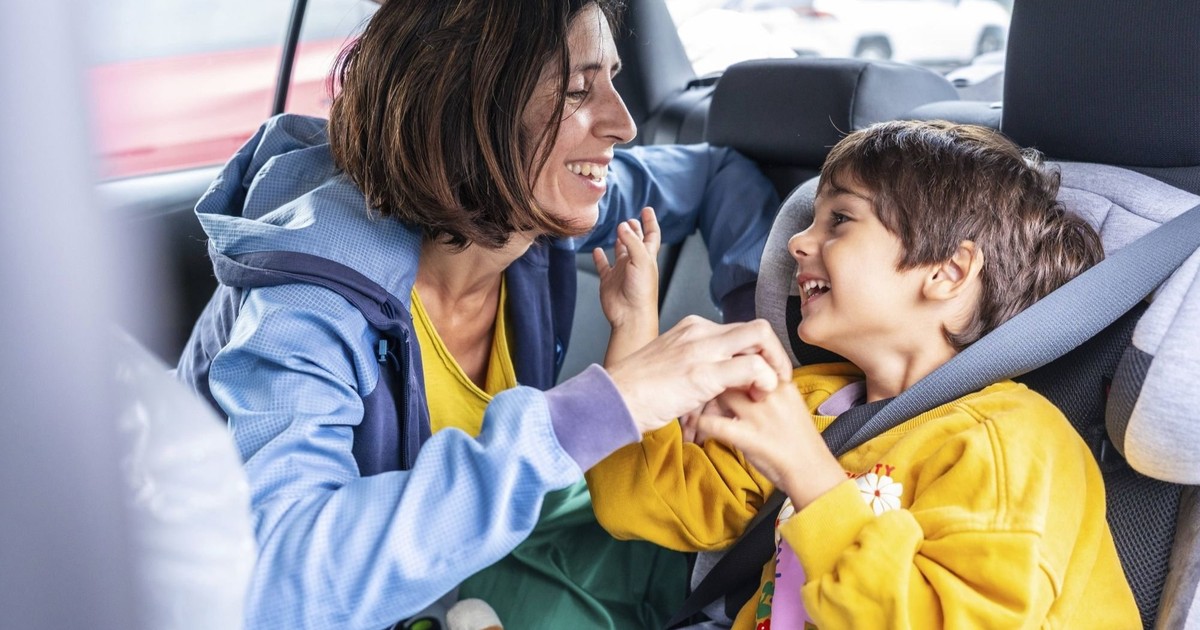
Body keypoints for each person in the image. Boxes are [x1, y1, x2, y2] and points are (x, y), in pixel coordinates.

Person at [173, 0, 789, 628]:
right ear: (469, 111)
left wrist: (754, 332)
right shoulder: (311, 302)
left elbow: (721, 177)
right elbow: (280, 583)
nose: (624, 124)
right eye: (578, 91)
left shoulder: (528, 207)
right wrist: (612, 404)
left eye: (612, 79)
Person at [587, 120, 1141, 628]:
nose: (796, 243)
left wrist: (806, 470)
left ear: (949, 271)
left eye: (840, 220)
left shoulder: (1010, 442)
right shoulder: (812, 405)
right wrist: (633, 329)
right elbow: (639, 501)